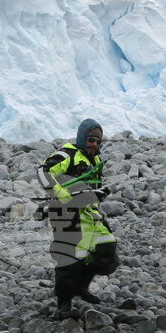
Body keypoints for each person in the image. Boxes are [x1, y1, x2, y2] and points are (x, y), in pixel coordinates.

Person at [37, 119, 118, 319]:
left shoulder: (96, 160)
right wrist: (58, 190)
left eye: (98, 141)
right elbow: (43, 172)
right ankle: (63, 305)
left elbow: (92, 185)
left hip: (89, 211)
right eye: (91, 139)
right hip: (65, 211)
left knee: (106, 247)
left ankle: (81, 286)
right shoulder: (68, 153)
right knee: (69, 257)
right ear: (82, 137)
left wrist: (100, 194)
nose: (94, 144)